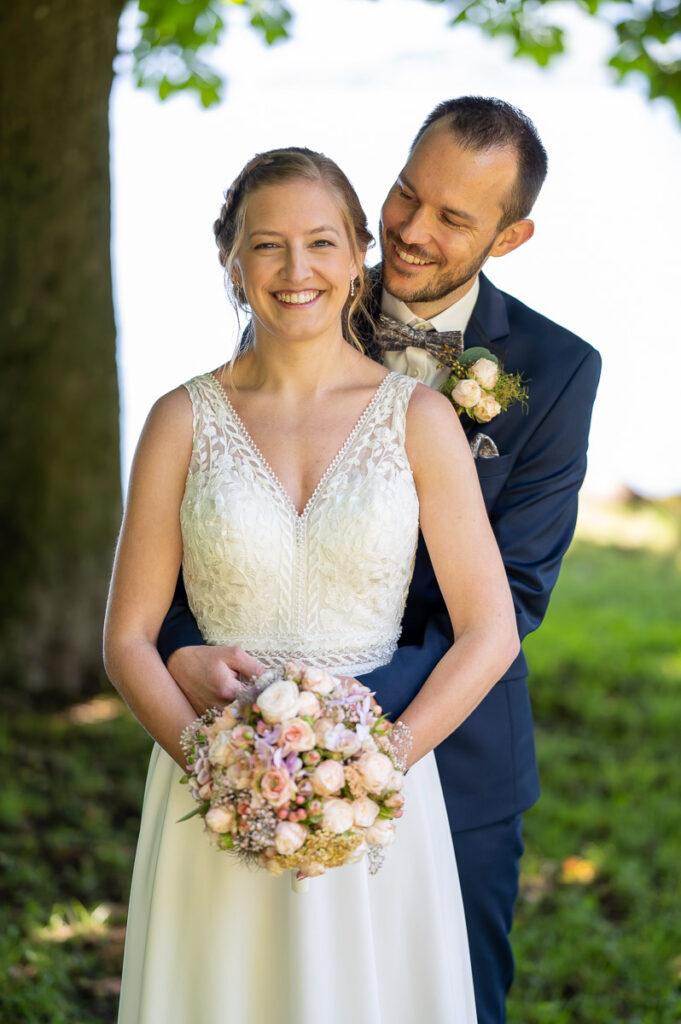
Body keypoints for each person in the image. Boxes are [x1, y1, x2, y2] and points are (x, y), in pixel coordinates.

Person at [158, 98, 602, 1024]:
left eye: (453, 217)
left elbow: (511, 592)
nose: (410, 229)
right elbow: (225, 516)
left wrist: (339, 722)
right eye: (406, 193)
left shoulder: (558, 369)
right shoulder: (300, 298)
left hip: (453, 742)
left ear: (509, 237)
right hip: (263, 744)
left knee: (449, 996)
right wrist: (188, 655)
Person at [104, 146, 520, 1023]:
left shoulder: (420, 417)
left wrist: (376, 769)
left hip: (380, 797)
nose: (297, 271)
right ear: (231, 260)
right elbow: (129, 639)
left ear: (358, 252)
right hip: (215, 796)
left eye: (322, 242)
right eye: (267, 245)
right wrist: (219, 775)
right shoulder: (179, 419)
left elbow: (491, 629)